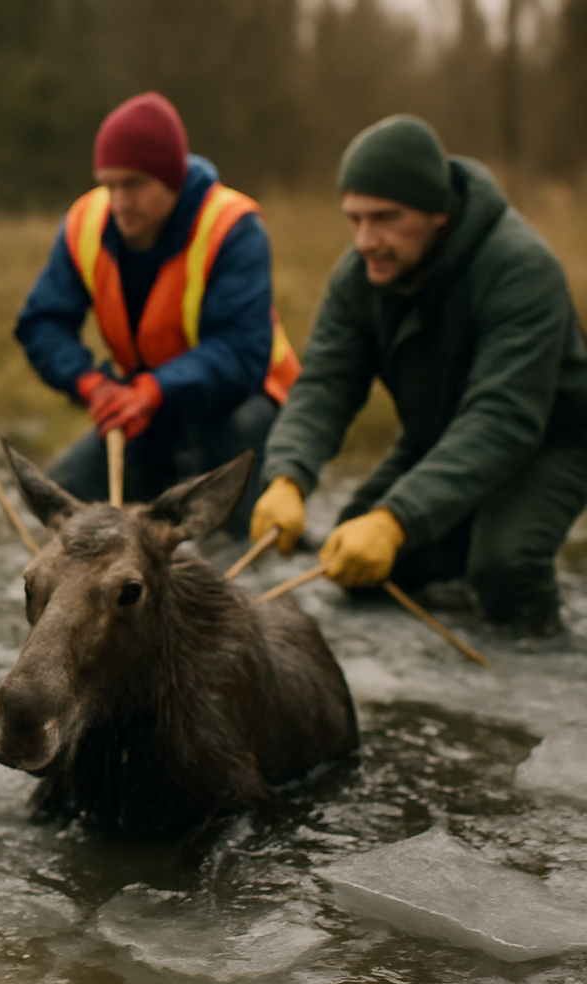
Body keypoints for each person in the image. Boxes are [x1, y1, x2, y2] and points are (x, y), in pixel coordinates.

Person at [251, 114, 587, 635]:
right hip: (440, 435)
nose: (365, 240)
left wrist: (398, 518)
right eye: (355, 219)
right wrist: (287, 476)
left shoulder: (522, 268)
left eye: (384, 217)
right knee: (352, 563)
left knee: (505, 567)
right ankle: (459, 543)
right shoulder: (361, 274)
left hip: (553, 440)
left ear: (438, 213)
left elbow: (503, 420)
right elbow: (326, 384)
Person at [14, 92, 300, 533]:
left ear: (172, 179)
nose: (120, 200)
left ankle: (248, 544)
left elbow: (243, 351)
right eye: (110, 184)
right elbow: (41, 322)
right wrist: (89, 383)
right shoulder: (84, 222)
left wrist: (154, 390)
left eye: (135, 183)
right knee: (67, 491)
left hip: (245, 407)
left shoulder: (232, 226)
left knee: (227, 534)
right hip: (146, 408)